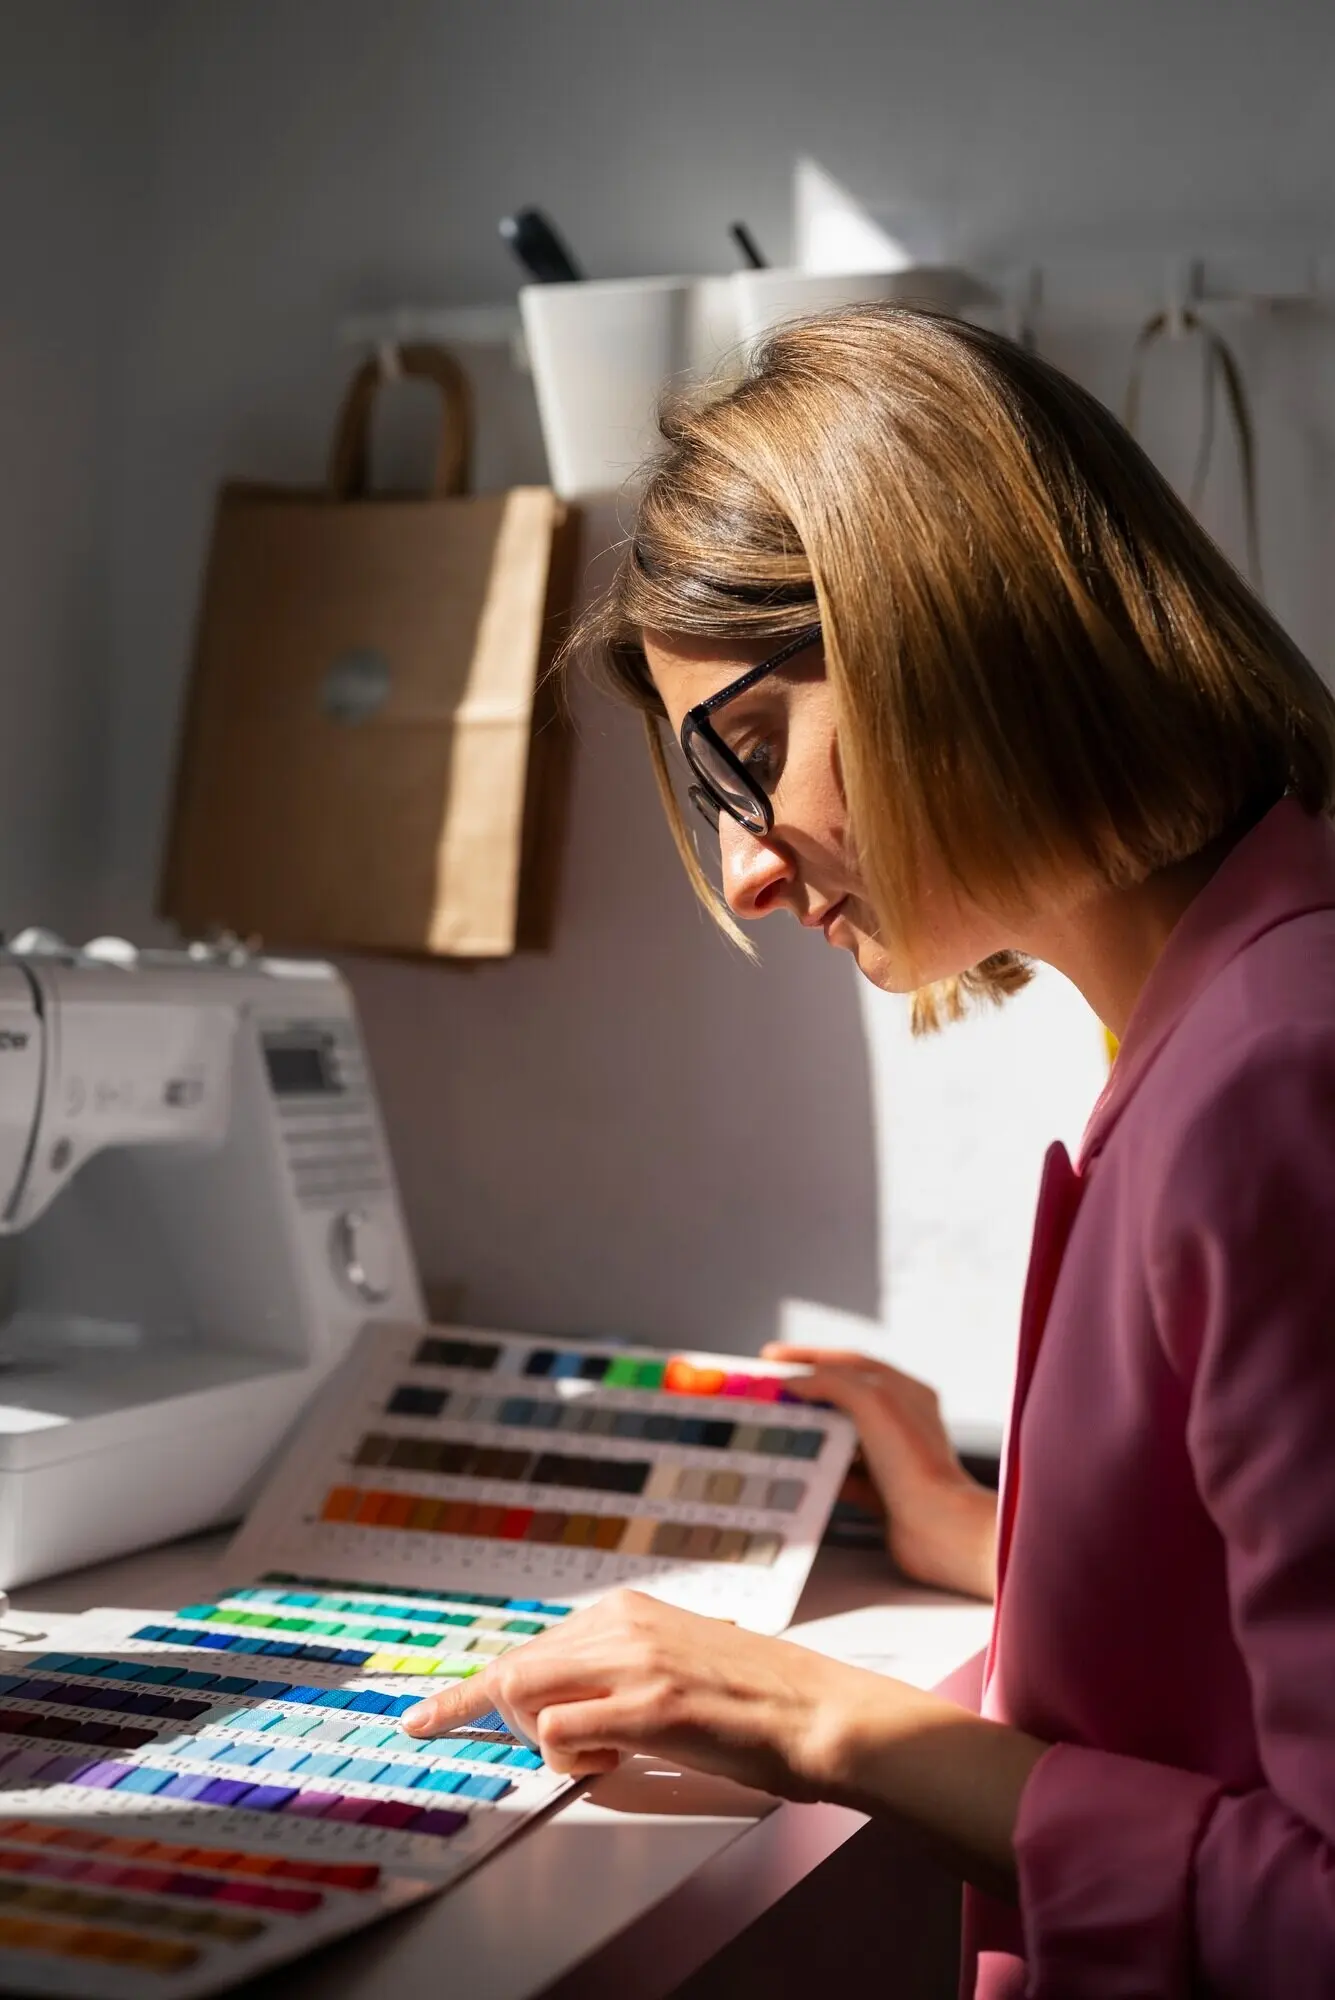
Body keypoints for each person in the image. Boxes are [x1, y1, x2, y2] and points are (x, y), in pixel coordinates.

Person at [401, 306, 1335, 1998]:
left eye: (755, 755)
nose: (749, 874)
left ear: (947, 629)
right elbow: (1233, 1632)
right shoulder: (1218, 1029)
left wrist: (812, 1713)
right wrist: (987, 1536)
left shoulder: (1278, 1078)